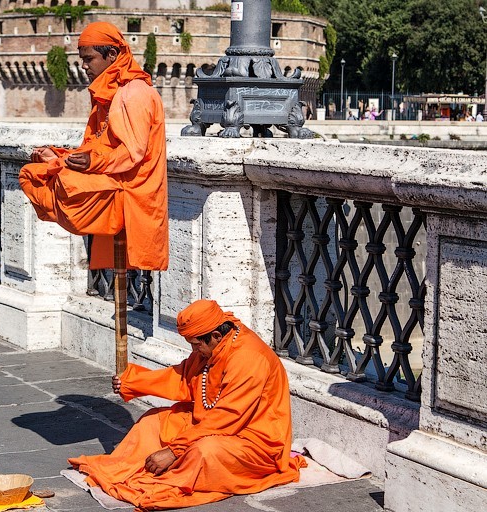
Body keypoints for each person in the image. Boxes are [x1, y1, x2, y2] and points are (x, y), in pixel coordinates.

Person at [68, 300, 306, 510]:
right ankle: (126, 468)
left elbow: (226, 418)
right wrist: (132, 382)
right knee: (154, 420)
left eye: (195, 344)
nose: (193, 351)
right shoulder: (212, 347)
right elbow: (183, 378)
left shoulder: (249, 359)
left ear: (215, 335)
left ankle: (172, 473)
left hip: (253, 442)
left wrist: (173, 451)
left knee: (206, 451)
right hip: (211, 423)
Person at [18, 21, 168, 270]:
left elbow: (133, 152)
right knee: (37, 173)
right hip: (113, 177)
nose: (84, 66)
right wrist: (60, 155)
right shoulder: (107, 92)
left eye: (89, 59)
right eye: (82, 60)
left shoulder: (135, 94)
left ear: (112, 55)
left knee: (56, 181)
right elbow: (98, 142)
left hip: (131, 188)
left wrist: (90, 162)